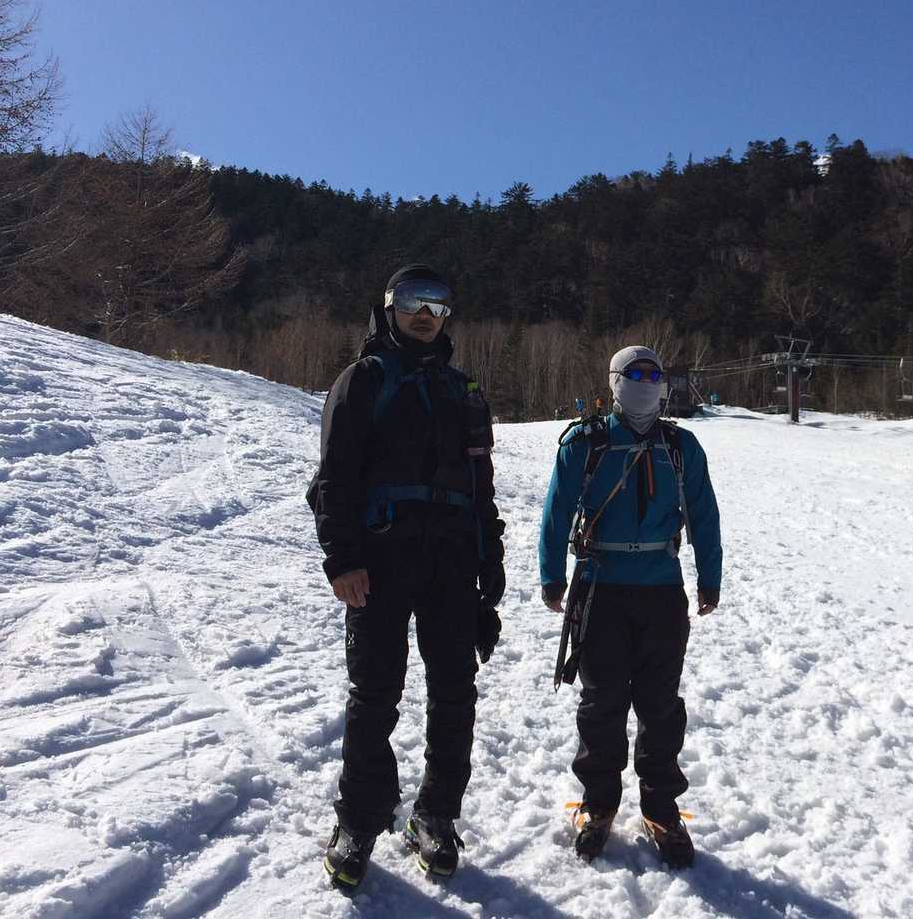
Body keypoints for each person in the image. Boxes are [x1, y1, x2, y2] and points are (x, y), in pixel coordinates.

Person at [308, 265, 506, 891]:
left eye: (438, 304)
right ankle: (359, 821)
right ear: (390, 307)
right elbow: (333, 478)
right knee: (374, 695)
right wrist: (342, 558)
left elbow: (480, 487)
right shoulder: (364, 379)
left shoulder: (462, 390)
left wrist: (490, 563)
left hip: (452, 563)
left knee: (455, 692)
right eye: (414, 302)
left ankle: (435, 815)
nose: (426, 314)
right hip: (381, 561)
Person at [538, 345, 722, 868]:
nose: (645, 384)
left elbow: (704, 514)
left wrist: (710, 576)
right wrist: (552, 575)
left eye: (653, 375)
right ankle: (598, 805)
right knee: (602, 703)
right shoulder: (586, 443)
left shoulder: (681, 447)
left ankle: (661, 809)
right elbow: (556, 510)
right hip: (600, 589)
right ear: (614, 382)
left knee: (660, 706)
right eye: (634, 375)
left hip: (662, 591)